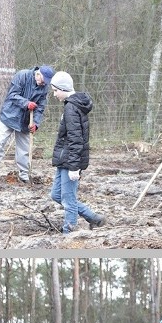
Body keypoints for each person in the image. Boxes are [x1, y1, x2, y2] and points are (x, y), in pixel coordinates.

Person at [48, 71, 106, 234]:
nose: (54, 94)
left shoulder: (72, 109)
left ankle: (70, 232)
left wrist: (74, 168)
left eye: (55, 90)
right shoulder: (70, 106)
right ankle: (93, 217)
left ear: (63, 88)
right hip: (65, 159)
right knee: (56, 195)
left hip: (70, 162)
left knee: (68, 199)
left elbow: (76, 139)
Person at [0, 65, 54, 182]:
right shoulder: (22, 75)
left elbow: (40, 107)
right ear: (38, 74)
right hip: (9, 116)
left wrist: (35, 123)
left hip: (26, 121)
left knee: (24, 149)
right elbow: (12, 95)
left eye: (46, 82)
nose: (44, 83)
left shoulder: (44, 87)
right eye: (43, 80)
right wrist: (26, 103)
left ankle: (24, 175)